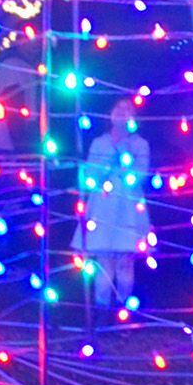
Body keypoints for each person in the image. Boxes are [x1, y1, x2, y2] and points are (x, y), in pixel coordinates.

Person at [76, 96, 149, 325]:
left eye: (128, 109)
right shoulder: (99, 143)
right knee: (103, 263)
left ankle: (124, 311)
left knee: (125, 262)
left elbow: (139, 176)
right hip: (103, 209)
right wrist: (107, 165)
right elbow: (89, 175)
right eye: (118, 107)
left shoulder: (140, 145)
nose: (122, 111)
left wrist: (125, 153)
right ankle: (101, 311)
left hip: (128, 208)